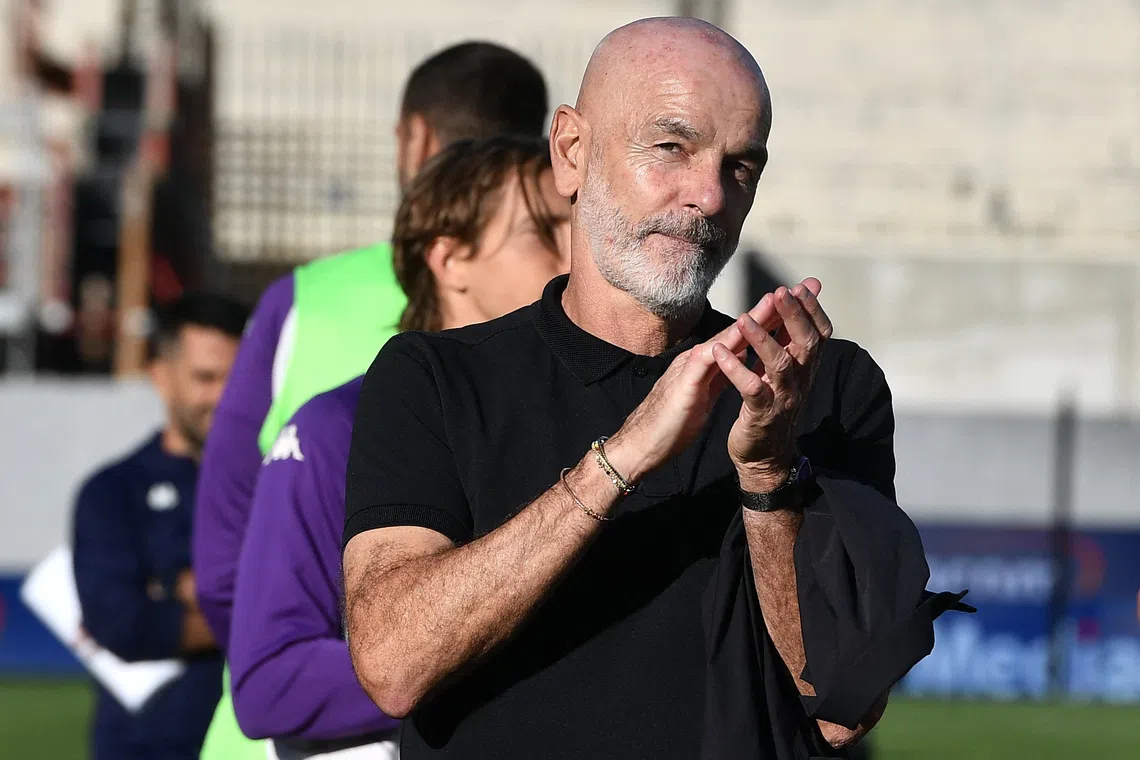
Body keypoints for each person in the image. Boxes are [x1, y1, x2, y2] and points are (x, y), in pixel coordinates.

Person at [341, 17, 972, 760]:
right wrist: (620, 460)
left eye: (741, 167)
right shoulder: (435, 378)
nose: (708, 194)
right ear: (571, 152)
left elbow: (842, 708)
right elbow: (391, 666)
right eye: (671, 147)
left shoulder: (818, 386)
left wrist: (767, 474)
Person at [191, 41, 548, 760]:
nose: (577, 255)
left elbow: (226, 570)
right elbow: (266, 659)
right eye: (548, 231)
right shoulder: (338, 396)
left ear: (414, 137)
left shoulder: (307, 300)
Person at [72, 293, 248, 760]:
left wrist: (182, 592)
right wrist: (256, 606)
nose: (223, 397)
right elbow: (123, 624)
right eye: (205, 378)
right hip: (145, 747)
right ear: (161, 377)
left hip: (255, 743)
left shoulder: (278, 479)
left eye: (236, 379)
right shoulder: (112, 492)